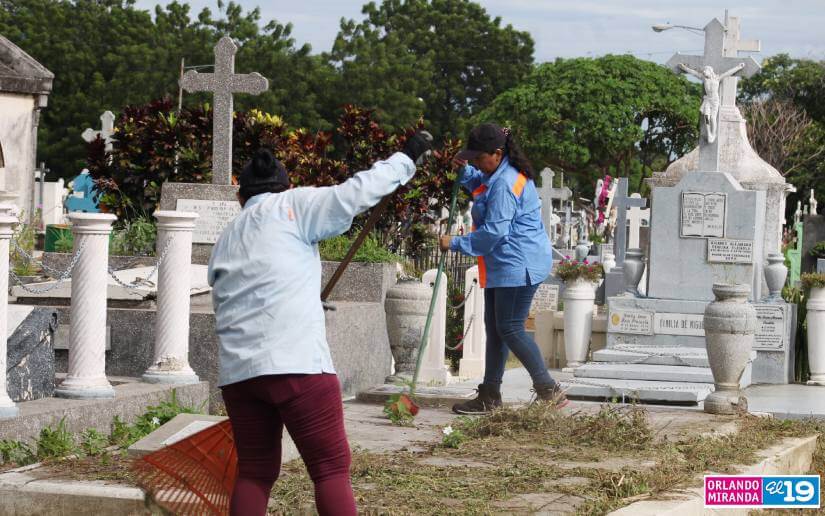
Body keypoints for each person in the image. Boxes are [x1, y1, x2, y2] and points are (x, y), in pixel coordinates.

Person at [207, 132, 432, 516]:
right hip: (298, 366)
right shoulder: (294, 205)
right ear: (286, 186)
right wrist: (407, 158)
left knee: (256, 472)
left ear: (239, 198)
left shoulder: (228, 236)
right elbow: (357, 192)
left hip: (241, 375)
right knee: (329, 469)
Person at [440, 123, 567, 415]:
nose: (475, 162)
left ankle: (549, 389)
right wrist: (465, 171)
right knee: (495, 330)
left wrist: (456, 243)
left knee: (509, 327)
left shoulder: (505, 184)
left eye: (477, 158)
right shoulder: (496, 174)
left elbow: (494, 232)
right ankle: (490, 394)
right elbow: (480, 187)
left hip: (517, 263)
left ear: (496, 154)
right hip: (506, 262)